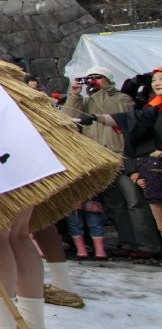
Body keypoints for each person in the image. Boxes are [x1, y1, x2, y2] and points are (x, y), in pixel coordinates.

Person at [66, 66, 161, 258]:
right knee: (114, 205)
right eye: (88, 78)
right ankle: (127, 242)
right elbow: (69, 118)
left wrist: (100, 92)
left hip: (123, 157)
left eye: (97, 77)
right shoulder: (85, 101)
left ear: (108, 79)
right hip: (99, 161)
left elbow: (119, 115)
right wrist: (75, 95)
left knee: (135, 202)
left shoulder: (121, 97)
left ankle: (148, 245)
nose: (92, 81)